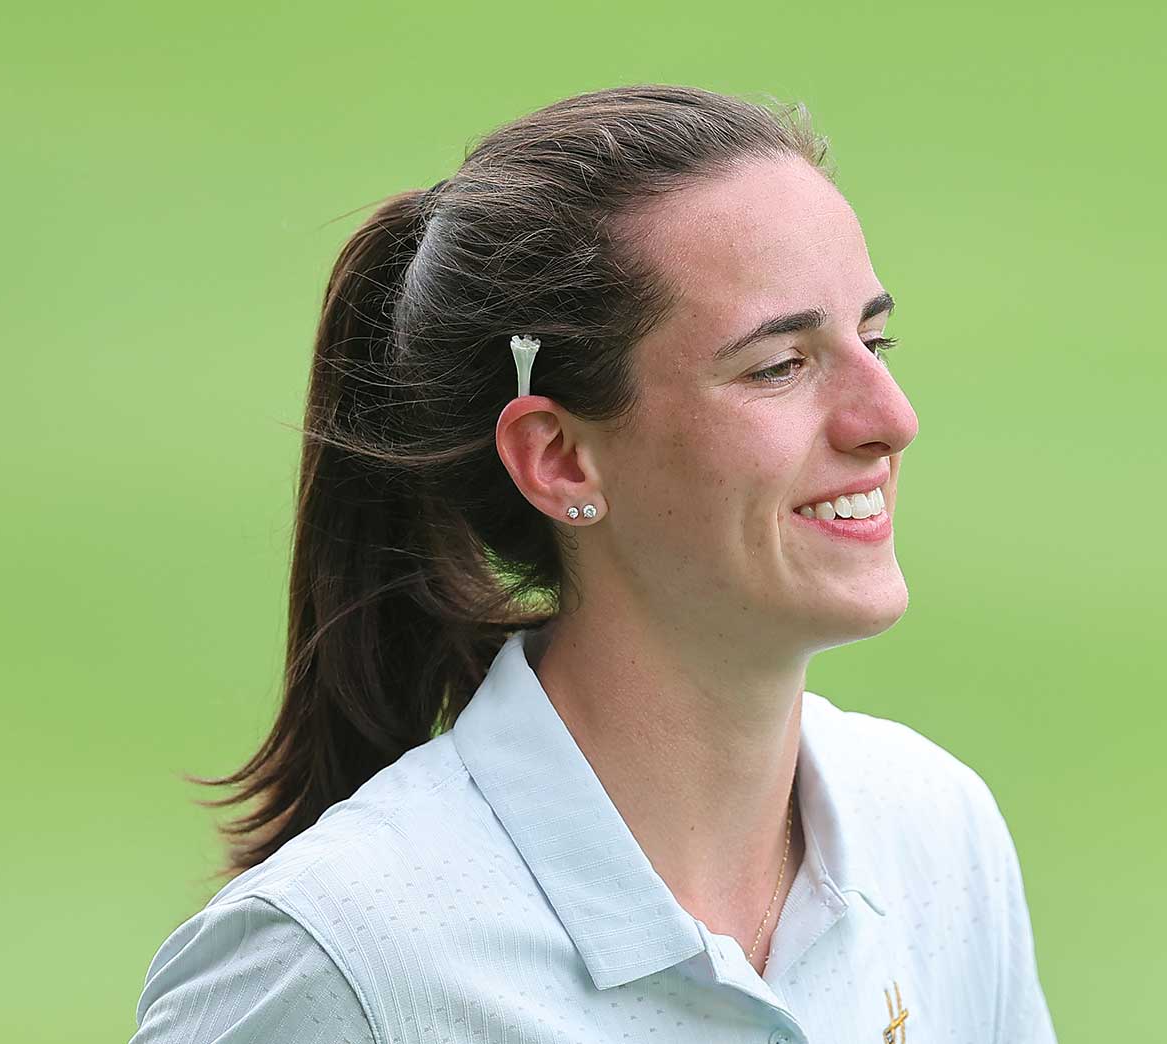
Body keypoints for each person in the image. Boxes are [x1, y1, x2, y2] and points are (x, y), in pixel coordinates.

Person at [128, 83, 1057, 1043]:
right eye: (778, 365)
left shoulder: (936, 835)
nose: (891, 420)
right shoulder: (339, 963)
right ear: (561, 458)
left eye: (874, 340)